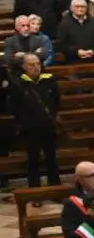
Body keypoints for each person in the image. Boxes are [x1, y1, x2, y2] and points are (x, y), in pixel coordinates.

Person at [11, 53, 60, 187]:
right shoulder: (19, 84)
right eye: (32, 65)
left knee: (52, 159)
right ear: (24, 66)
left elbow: (56, 102)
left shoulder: (49, 80)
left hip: (48, 127)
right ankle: (35, 191)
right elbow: (14, 107)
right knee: (33, 161)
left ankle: (55, 188)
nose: (36, 67)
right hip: (30, 129)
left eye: (38, 64)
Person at [54, 0, 94, 65]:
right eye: (77, 6)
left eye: (83, 7)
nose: (80, 9)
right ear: (71, 8)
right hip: (73, 61)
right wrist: (77, 52)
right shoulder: (64, 24)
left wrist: (93, 51)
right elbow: (62, 44)